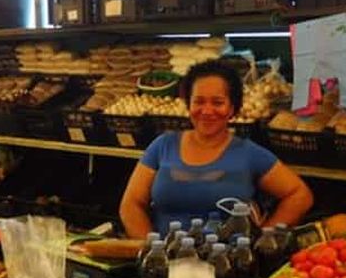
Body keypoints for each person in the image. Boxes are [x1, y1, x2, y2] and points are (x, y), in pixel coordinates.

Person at [120, 60, 314, 238]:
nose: (207, 111)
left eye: (218, 102)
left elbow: (299, 195)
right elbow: (131, 204)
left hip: (226, 265)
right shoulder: (163, 146)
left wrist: (263, 237)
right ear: (188, 103)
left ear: (232, 108)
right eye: (199, 101)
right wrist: (149, 247)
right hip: (166, 263)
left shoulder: (249, 153)